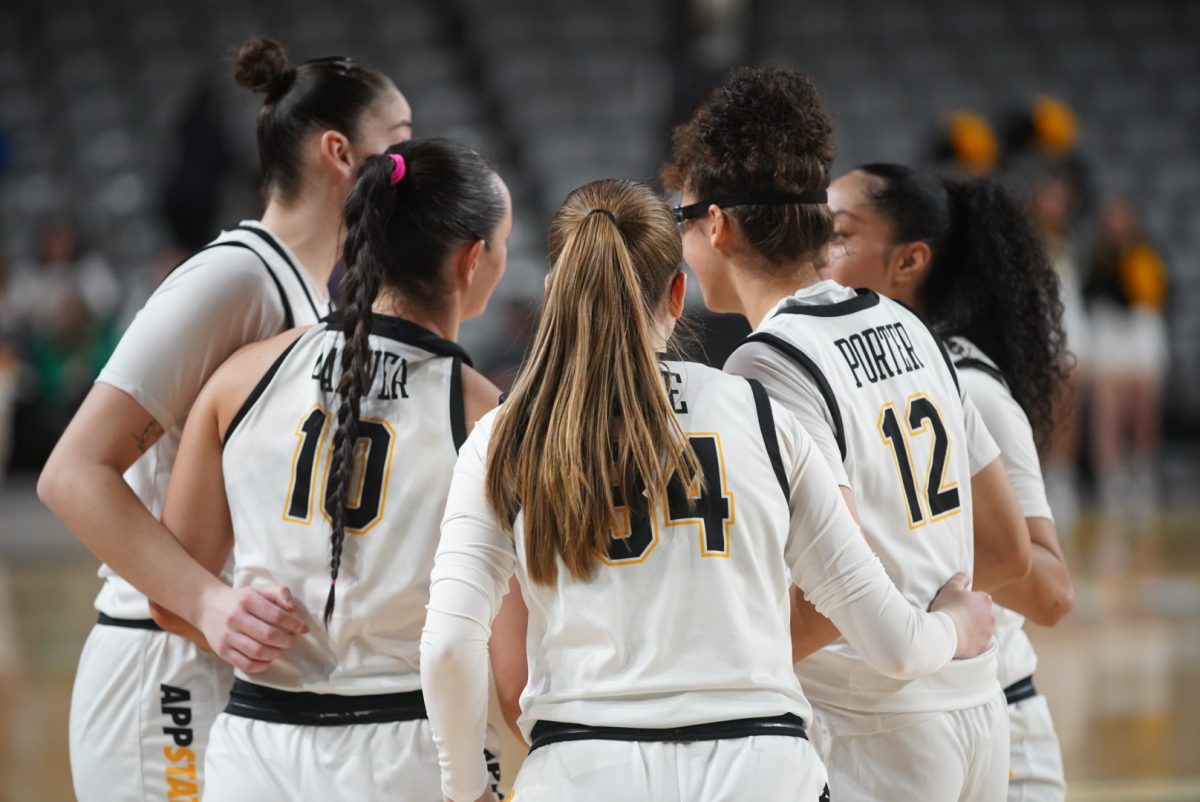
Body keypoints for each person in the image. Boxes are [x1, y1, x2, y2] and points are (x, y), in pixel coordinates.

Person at [420, 178, 997, 802]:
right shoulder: (760, 414)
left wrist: (465, 788)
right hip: (760, 770)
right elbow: (892, 642)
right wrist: (955, 629)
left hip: (582, 770)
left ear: (555, 291)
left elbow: (450, 645)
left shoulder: (505, 434)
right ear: (677, 293)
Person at [37, 37, 412, 801]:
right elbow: (72, 474)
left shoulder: (320, 287)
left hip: (235, 660)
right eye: (400, 149)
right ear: (340, 153)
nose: (413, 171)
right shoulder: (234, 275)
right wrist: (208, 602)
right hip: (165, 664)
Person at [661, 67, 1031, 802]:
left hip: (870, 728)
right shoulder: (912, 328)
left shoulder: (765, 363)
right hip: (977, 712)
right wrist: (930, 597)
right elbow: (1008, 547)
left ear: (717, 225)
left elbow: (833, 590)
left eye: (682, 220)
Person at [136, 138, 511, 800]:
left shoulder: (239, 378)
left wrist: (223, 614)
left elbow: (170, 596)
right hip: (414, 755)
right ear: (473, 258)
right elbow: (513, 666)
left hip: (257, 754)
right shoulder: (487, 416)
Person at [825, 163, 1076, 802]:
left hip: (999, 724)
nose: (816, 248)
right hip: (913, 719)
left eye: (839, 232)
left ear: (908, 261)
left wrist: (901, 566)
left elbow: (1050, 590)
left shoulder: (973, 388)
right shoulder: (854, 371)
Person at [1084, 198, 1169, 531]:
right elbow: (1092, 293)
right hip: (1109, 332)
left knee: (1144, 403)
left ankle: (1141, 470)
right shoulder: (1099, 257)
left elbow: (1161, 294)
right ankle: (1111, 476)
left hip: (1141, 331)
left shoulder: (1148, 254)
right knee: (1108, 404)